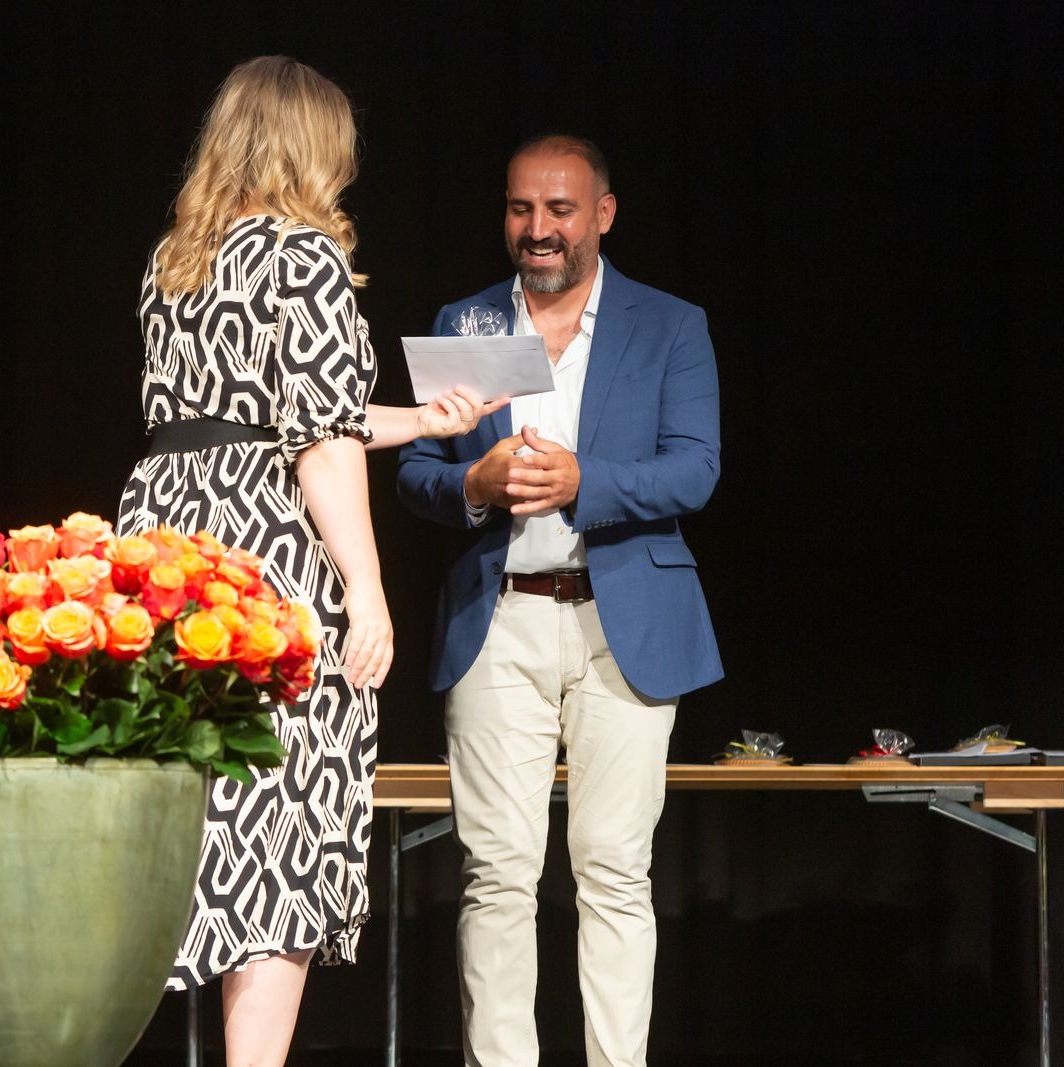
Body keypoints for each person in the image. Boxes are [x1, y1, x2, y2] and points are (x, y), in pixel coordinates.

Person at [118, 56, 502, 1067]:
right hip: (262, 555)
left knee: (190, 808)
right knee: (275, 823)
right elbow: (318, 443)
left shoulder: (176, 259)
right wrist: (367, 591)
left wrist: (420, 420)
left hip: (166, 538)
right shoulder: (304, 257)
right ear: (312, 145)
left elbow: (272, 410)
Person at [396, 134, 723, 1067]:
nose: (537, 229)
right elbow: (417, 469)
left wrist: (585, 480)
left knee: (613, 870)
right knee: (497, 873)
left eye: (559, 210)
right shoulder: (467, 324)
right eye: (520, 209)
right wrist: (474, 485)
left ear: (603, 215)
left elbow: (696, 468)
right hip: (498, 621)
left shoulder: (668, 325)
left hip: (623, 623)